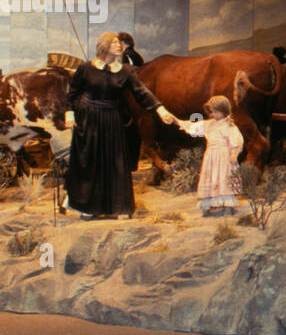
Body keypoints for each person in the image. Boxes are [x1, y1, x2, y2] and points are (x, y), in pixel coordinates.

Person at [64, 31, 176, 218]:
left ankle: (118, 207)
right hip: (89, 121)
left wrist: (160, 109)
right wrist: (69, 113)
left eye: (119, 43)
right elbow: (73, 93)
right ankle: (88, 208)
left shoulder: (126, 71)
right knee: (90, 163)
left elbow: (142, 93)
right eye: (115, 42)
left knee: (115, 164)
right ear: (104, 46)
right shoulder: (86, 68)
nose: (119, 45)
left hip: (112, 121)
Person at [175, 95, 245, 216]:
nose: (213, 114)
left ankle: (227, 204)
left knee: (223, 177)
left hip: (224, 157)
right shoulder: (209, 124)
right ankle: (211, 203)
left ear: (224, 111)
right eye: (212, 112)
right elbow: (192, 127)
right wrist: (176, 121)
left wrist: (234, 154)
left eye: (216, 112)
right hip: (211, 157)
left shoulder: (229, 125)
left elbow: (237, 140)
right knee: (211, 177)